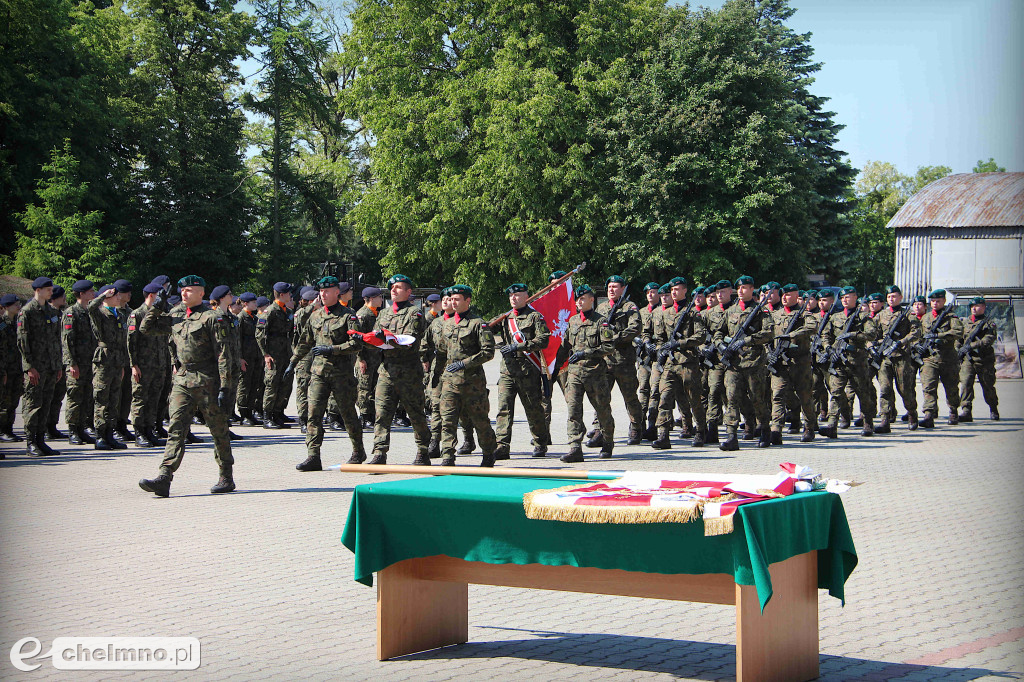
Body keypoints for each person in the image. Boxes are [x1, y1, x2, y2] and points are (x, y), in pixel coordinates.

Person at [138, 275, 236, 497]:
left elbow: (223, 354)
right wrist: (157, 307)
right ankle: (164, 476)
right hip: (183, 379)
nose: (184, 293)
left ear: (201, 293)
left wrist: (225, 386)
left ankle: (226, 476)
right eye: (182, 290)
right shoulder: (175, 314)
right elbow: (146, 328)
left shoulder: (212, 318)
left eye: (190, 290)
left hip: (207, 380)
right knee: (176, 428)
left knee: (218, 430)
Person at [291, 278, 365, 470]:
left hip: (341, 375)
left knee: (348, 414)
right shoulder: (315, 316)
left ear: (336, 293)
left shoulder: (349, 316)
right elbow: (304, 342)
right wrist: (292, 363)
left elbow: (357, 343)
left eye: (327, 291)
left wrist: (333, 349)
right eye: (321, 292)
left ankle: (358, 451)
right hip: (318, 373)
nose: (323, 295)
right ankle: (313, 455)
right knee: (313, 415)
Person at [367, 275, 432, 465]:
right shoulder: (383, 314)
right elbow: (375, 336)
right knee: (382, 413)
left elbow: (410, 340)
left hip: (408, 371)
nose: (393, 290)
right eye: (392, 287)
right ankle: (379, 452)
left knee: (415, 413)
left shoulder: (415, 313)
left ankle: (422, 451)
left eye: (399, 287)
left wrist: (388, 338)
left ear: (408, 292)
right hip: (386, 371)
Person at [710, 276, 773, 450]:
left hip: (754, 363)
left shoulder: (761, 311)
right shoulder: (731, 310)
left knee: (757, 399)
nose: (740, 291)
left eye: (744, 288)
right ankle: (732, 437)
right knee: (731, 399)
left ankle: (765, 430)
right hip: (733, 365)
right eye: (738, 288)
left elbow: (768, 333)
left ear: (752, 289)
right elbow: (718, 332)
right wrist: (721, 345)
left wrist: (746, 341)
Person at [438, 284, 498, 466]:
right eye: (451, 299)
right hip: (449, 383)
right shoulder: (446, 323)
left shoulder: (478, 324)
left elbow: (488, 352)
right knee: (447, 420)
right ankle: (448, 455)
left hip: (473, 383)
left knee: (480, 421)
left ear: (467, 300)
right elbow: (441, 350)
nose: (453, 303)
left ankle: (488, 453)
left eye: (457, 299)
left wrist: (464, 363)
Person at [557, 284, 614, 463]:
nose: (580, 302)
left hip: (595, 373)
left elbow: (609, 346)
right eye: (578, 299)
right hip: (574, 374)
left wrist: (586, 352)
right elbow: (565, 346)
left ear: (591, 300)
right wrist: (554, 367)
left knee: (602, 409)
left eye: (583, 299)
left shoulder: (601, 322)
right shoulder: (573, 321)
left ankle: (607, 441)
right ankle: (575, 447)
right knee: (573, 410)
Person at [494, 283, 552, 459]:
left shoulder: (535, 317)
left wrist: (519, 346)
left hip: (528, 371)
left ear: (526, 296)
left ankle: (540, 442)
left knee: (533, 409)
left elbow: (544, 340)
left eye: (518, 295)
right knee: (504, 409)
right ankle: (502, 446)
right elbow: (487, 330)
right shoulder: (505, 318)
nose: (514, 298)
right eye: (511, 296)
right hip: (507, 372)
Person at [652, 277, 707, 448]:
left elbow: (701, 336)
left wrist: (680, 343)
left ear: (684, 290)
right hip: (670, 363)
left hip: (688, 362)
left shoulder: (693, 313)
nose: (674, 292)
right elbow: (660, 337)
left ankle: (700, 431)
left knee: (694, 399)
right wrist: (662, 349)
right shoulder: (665, 313)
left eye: (677, 289)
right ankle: (663, 434)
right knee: (665, 397)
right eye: (672, 290)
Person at [591, 276, 643, 446]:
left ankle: (636, 427)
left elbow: (635, 328)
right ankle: (600, 431)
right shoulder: (602, 307)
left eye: (615, 286)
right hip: (605, 360)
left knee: (630, 397)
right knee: (601, 397)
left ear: (622, 288)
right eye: (609, 287)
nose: (611, 289)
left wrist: (616, 337)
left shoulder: (629, 307)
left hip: (623, 360)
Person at [819, 286, 878, 439]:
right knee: (836, 393)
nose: (845, 300)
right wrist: (829, 348)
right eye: (843, 298)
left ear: (855, 297)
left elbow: (872, 334)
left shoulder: (863, 316)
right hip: (839, 361)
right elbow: (826, 335)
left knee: (863, 393)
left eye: (848, 297)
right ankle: (832, 425)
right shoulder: (835, 317)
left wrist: (854, 334)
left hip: (857, 362)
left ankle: (868, 423)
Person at [17, 277, 64, 456]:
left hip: (51, 366)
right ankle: (31, 442)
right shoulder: (27, 312)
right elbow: (23, 341)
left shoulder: (49, 311)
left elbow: (55, 340)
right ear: (38, 290)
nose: (51, 292)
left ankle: (41, 440)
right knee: (33, 404)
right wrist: (29, 367)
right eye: (48, 289)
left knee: (45, 404)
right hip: (36, 366)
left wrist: (58, 365)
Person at [767, 284, 818, 444]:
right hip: (780, 363)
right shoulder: (775, 315)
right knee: (778, 396)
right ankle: (776, 429)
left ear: (796, 296)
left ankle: (809, 427)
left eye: (788, 294)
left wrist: (792, 335)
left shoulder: (804, 314)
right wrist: (769, 353)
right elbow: (767, 334)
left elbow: (813, 327)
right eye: (783, 294)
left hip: (800, 363)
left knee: (805, 396)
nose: (784, 297)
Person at [89, 281, 133, 450]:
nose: (119, 298)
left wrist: (122, 365)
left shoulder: (120, 315)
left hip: (117, 360)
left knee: (114, 399)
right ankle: (99, 436)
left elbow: (123, 342)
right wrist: (102, 296)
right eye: (115, 295)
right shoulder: (99, 313)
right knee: (101, 398)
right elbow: (91, 307)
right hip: (104, 359)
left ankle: (110, 433)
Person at [128, 282, 172, 447]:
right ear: (152, 296)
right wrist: (134, 365)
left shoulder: (159, 314)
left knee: (153, 399)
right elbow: (131, 342)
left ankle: (149, 430)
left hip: (158, 365)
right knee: (140, 398)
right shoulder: (137, 314)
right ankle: (139, 433)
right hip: (143, 365)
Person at [874, 285, 920, 432]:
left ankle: (912, 413)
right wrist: (875, 345)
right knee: (885, 389)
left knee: (905, 389)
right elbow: (872, 334)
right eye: (888, 297)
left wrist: (902, 342)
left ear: (900, 298)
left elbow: (917, 332)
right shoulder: (881, 315)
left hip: (901, 357)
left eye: (894, 296)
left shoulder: (908, 314)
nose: (891, 299)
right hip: (885, 358)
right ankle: (885, 420)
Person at [60, 280, 98, 445]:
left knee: (87, 396)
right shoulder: (71, 313)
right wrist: (71, 364)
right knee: (75, 397)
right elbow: (67, 341)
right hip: (77, 363)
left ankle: (82, 428)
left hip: (90, 362)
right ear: (81, 294)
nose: (93, 293)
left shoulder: (90, 312)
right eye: (90, 291)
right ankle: (73, 430)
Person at [918, 289, 963, 428]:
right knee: (928, 387)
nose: (935, 303)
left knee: (951, 387)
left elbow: (958, 332)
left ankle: (953, 411)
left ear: (944, 301)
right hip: (930, 359)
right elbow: (918, 334)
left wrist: (939, 336)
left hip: (947, 358)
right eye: (932, 301)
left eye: (938, 301)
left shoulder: (951, 317)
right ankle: (929, 415)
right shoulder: (925, 318)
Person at [257, 282, 294, 429]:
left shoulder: (287, 311)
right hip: (273, 353)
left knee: (284, 383)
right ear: (282, 294)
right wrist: (265, 354)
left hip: (285, 352)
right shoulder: (270, 311)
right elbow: (259, 334)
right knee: (272, 384)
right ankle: (267, 416)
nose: (291, 296)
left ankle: (277, 413)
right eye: (289, 293)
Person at [958, 296, 999, 421]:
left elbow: (988, 340)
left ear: (984, 307)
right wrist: (959, 348)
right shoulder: (965, 322)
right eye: (972, 306)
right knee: (965, 384)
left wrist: (971, 346)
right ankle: (966, 411)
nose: (974, 309)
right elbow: (959, 338)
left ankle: (993, 408)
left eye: (977, 306)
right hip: (968, 360)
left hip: (984, 359)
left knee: (987, 385)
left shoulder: (989, 323)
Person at [355, 286, 383, 428]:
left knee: (373, 387)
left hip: (376, 358)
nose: (381, 299)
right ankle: (364, 416)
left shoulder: (376, 314)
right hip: (366, 358)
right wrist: (361, 359)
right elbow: (358, 339)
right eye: (379, 297)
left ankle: (371, 414)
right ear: (371, 299)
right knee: (364, 388)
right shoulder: (363, 315)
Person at [636, 282, 661, 440]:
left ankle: (653, 424)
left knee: (655, 390)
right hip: (644, 357)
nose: (650, 295)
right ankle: (640, 423)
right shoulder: (641, 312)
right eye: (648, 293)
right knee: (643, 389)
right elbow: (635, 331)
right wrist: (639, 341)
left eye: (653, 292)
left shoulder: (663, 310)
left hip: (658, 357)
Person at [292, 287, 318, 434]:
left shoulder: (318, 314)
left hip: (316, 354)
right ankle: (303, 419)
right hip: (304, 356)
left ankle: (314, 419)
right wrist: (313, 306)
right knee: (303, 387)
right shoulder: (300, 313)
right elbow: (301, 316)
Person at [0, 294, 25, 445]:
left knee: (14, 400)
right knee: (5, 401)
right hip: (6, 369)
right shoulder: (2, 324)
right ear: (6, 307)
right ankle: (3, 430)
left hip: (17, 367)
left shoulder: (18, 322)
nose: (18, 306)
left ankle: (9, 429)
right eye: (15, 304)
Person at [235, 292, 262, 425]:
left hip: (255, 356)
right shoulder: (241, 318)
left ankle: (250, 412)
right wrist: (239, 358)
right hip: (246, 357)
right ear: (245, 303)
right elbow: (237, 339)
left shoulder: (254, 318)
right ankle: (243, 413)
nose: (255, 304)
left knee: (254, 384)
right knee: (244, 385)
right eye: (253, 302)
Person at [46, 285, 68, 441]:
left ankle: (52, 426)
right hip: (47, 362)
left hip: (60, 361)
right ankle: (44, 427)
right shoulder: (47, 313)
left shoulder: (61, 314)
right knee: (47, 397)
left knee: (58, 397)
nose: (65, 299)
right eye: (62, 296)